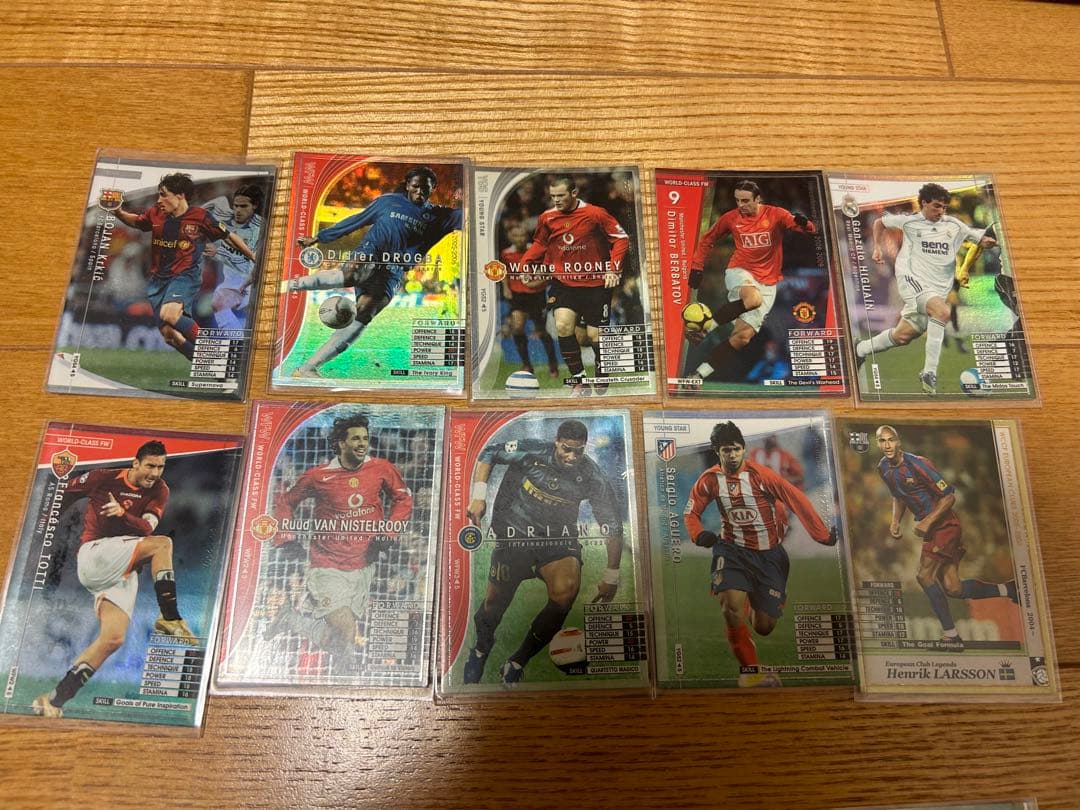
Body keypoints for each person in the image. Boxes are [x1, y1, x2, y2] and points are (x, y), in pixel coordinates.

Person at [33, 441, 195, 718]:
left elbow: (146, 527)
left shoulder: (160, 490)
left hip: (122, 568)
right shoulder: (103, 478)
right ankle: (170, 616)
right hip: (96, 553)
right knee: (163, 544)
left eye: (160, 467)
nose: (155, 473)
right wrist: (44, 524)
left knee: (113, 639)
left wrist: (123, 514)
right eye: (150, 465)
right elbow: (63, 492)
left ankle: (54, 700)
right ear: (135, 463)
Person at [462, 420, 623, 685]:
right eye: (566, 449)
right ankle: (480, 650)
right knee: (494, 605)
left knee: (565, 593)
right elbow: (489, 452)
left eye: (579, 451)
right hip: (515, 534)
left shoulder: (592, 476)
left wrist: (612, 576)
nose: (572, 457)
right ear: (556, 442)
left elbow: (613, 524)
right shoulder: (532, 451)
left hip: (557, 540)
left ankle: (516, 662)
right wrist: (479, 496)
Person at [683, 421, 837, 687]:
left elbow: (796, 498)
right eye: (726, 450)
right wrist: (698, 534)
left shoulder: (761, 475)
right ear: (717, 452)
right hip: (731, 550)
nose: (732, 455)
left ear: (743, 449)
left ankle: (752, 593)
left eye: (736, 449)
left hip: (768, 555)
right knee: (730, 609)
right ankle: (751, 672)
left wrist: (821, 535)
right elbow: (691, 512)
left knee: (764, 627)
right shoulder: (709, 480)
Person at [267, 414, 412, 669]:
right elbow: (286, 501)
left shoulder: (381, 468)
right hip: (326, 566)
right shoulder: (318, 476)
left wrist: (388, 534)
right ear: (341, 443)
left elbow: (403, 499)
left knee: (342, 638)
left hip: (364, 565)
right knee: (345, 628)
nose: (362, 443)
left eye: (365, 438)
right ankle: (348, 677)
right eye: (355, 438)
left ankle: (292, 620)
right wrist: (285, 538)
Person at [288, 166, 462, 378]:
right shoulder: (388, 202)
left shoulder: (440, 216)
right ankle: (291, 284)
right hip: (372, 252)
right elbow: (356, 220)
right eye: (415, 186)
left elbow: (471, 216)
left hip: (394, 270)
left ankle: (307, 369)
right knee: (351, 276)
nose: (419, 192)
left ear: (432, 188)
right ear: (408, 185)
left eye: (425, 188)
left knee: (364, 314)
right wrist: (318, 238)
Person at [874, 425, 1018, 648]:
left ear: (898, 441)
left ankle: (951, 635)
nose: (887, 445)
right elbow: (898, 496)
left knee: (924, 576)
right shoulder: (883, 467)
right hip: (933, 529)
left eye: (891, 439)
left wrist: (928, 521)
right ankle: (1008, 589)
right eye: (882, 441)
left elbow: (949, 496)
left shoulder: (918, 464)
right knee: (953, 588)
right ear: (877, 444)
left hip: (944, 526)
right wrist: (895, 521)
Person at [855, 183, 997, 394]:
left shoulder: (954, 225)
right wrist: (876, 247)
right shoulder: (909, 221)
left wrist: (988, 241)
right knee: (942, 312)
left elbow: (978, 238)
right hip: (911, 280)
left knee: (902, 336)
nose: (941, 211)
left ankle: (860, 349)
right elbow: (879, 222)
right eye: (937, 206)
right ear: (924, 203)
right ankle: (929, 372)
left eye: (944, 207)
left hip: (937, 288)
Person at [112, 173, 257, 361]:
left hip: (184, 276)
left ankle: (216, 351)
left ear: (180, 195)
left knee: (170, 314)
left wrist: (252, 255)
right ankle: (212, 364)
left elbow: (229, 237)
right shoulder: (156, 213)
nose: (159, 200)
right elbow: (137, 221)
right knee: (169, 335)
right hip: (157, 282)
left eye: (164, 195)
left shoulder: (201, 217)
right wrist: (118, 212)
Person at [684, 179, 817, 383]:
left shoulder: (775, 214)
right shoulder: (731, 218)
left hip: (768, 282)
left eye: (745, 201)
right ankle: (704, 330)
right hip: (740, 271)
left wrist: (804, 222)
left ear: (758, 199)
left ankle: (698, 375)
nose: (741, 205)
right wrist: (696, 266)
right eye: (737, 200)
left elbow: (809, 229)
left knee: (742, 338)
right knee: (753, 299)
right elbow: (707, 239)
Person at [519, 176, 629, 395]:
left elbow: (621, 238)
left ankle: (602, 373)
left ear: (574, 193)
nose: (556, 200)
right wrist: (525, 264)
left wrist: (613, 269)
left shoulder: (595, 214)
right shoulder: (547, 217)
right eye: (553, 196)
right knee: (562, 326)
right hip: (564, 283)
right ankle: (579, 381)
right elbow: (540, 243)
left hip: (596, 285)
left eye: (561, 195)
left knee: (594, 336)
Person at [202, 183, 266, 330]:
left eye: (243, 206)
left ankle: (238, 341)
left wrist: (219, 252)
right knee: (218, 303)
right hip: (231, 280)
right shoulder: (226, 215)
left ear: (255, 206)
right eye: (236, 206)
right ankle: (237, 340)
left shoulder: (261, 228)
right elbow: (219, 201)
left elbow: (251, 262)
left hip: (250, 280)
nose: (238, 210)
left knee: (219, 302)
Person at [501, 224, 558, 378]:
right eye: (516, 236)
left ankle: (553, 364)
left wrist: (538, 282)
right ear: (511, 237)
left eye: (522, 235)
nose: (519, 239)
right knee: (517, 327)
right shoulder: (506, 254)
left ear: (527, 236)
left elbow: (547, 271)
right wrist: (506, 288)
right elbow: (504, 271)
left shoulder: (536, 251)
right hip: (517, 296)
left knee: (541, 331)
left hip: (536, 295)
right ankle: (527, 364)